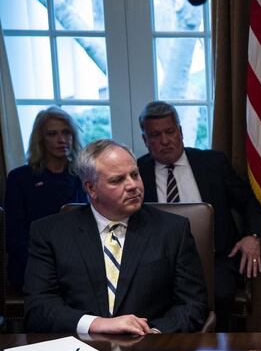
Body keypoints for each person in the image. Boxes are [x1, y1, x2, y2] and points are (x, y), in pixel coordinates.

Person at [24, 139, 207, 334]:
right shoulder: (50, 233)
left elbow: (192, 305)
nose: (132, 185)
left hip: (149, 350)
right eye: (117, 180)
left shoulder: (173, 230)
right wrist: (96, 324)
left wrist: (152, 333)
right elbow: (38, 308)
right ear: (91, 188)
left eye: (134, 175)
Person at [136, 101, 261, 331]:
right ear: (145, 140)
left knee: (221, 293)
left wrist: (253, 236)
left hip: (215, 259)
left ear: (180, 132)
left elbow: (249, 203)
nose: (165, 141)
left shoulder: (212, 163)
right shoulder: (136, 172)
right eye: (156, 135)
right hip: (157, 263)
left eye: (170, 132)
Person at [5, 107, 86, 291]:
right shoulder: (20, 178)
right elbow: (14, 235)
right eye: (52, 134)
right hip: (32, 266)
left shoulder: (84, 176)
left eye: (66, 133)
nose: (62, 139)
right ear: (41, 139)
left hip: (78, 267)